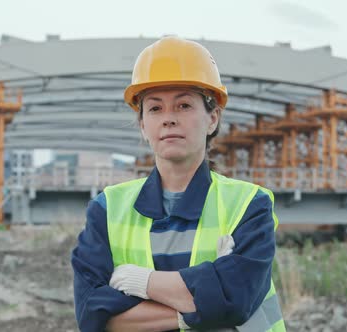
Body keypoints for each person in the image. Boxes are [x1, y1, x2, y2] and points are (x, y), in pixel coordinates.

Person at [71, 36, 286, 332]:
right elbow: (91, 314)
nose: (169, 119)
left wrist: (143, 282)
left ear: (212, 118)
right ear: (143, 125)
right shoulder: (107, 210)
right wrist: (206, 297)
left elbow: (236, 299)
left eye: (184, 105)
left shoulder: (249, 205)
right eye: (155, 109)